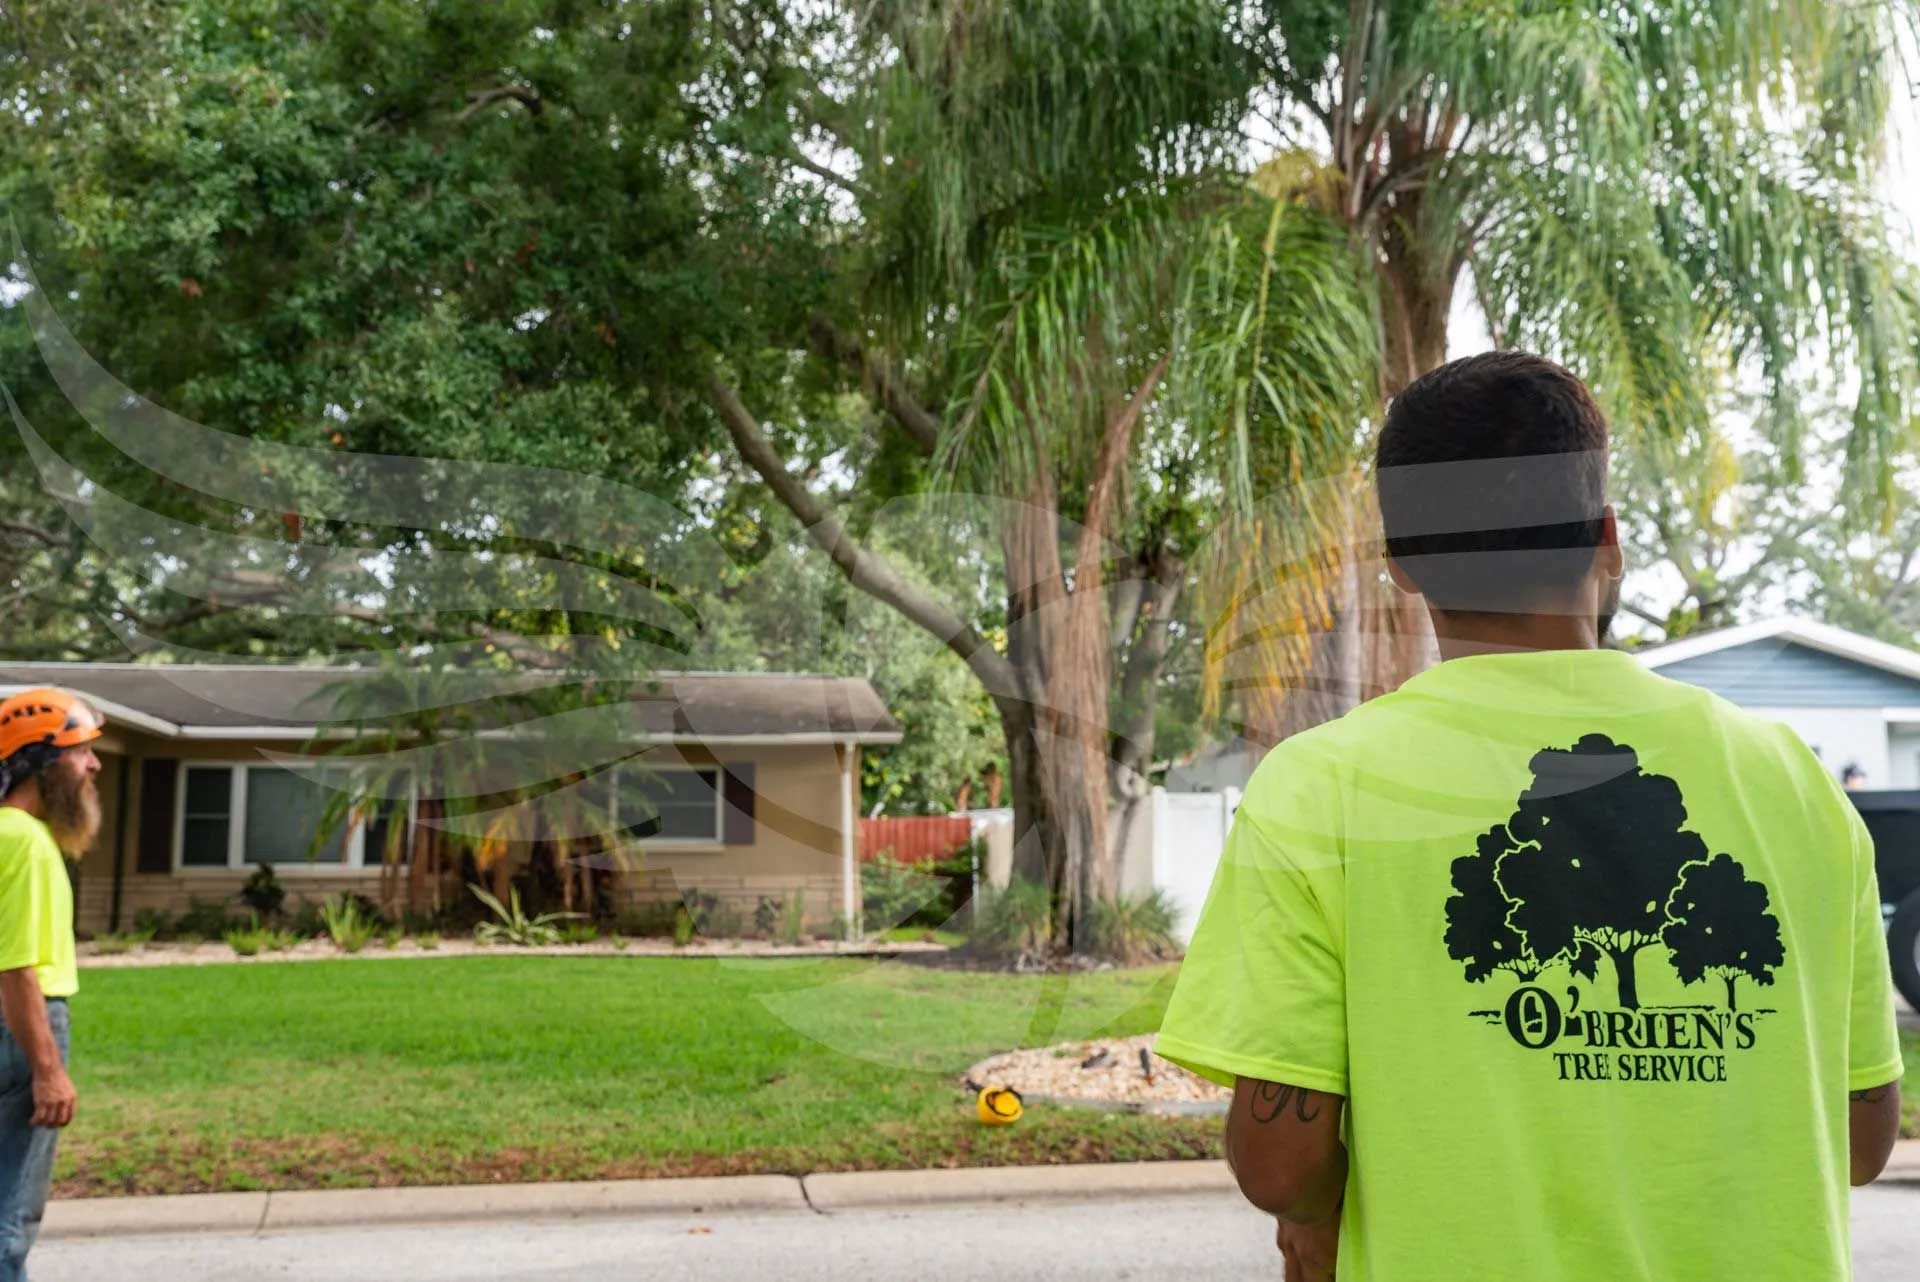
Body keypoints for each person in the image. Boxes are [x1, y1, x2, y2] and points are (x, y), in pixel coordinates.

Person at [1156, 352, 1905, 1281]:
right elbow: (1860, 1135)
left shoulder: (1324, 787)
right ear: (1610, 537)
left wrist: (1316, 1216)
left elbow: (1282, 1162)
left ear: (1400, 564)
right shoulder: (1795, 784)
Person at [0, 689, 101, 1280]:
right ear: (42, 760)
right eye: (81, 752)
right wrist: (48, 1069)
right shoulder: (26, 843)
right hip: (19, 1032)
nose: (93, 765)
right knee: (10, 1217)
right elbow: (14, 967)